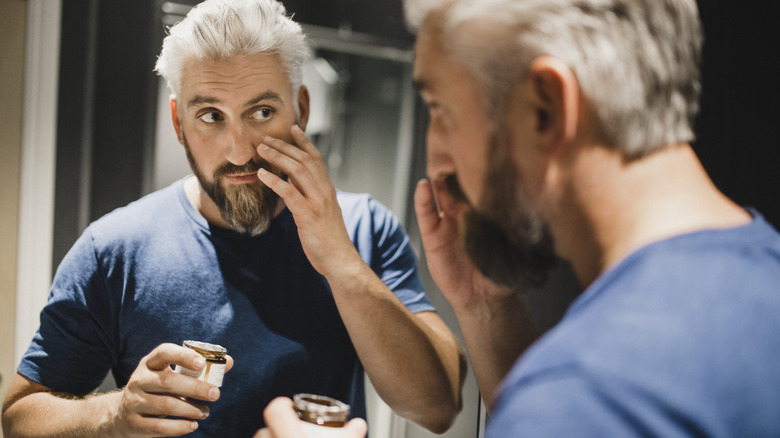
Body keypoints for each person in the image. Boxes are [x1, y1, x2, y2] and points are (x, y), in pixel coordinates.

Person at [257, 0, 780, 436]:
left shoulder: (589, 396)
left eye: (440, 109)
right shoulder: (760, 277)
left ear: (545, 107)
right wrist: (486, 308)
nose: (436, 160)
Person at [1, 0, 466, 436]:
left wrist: (342, 262)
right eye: (210, 115)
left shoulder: (366, 228)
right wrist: (116, 414)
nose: (240, 149)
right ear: (178, 122)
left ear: (300, 111)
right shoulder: (114, 250)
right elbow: (18, 417)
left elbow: (438, 407)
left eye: (262, 112)